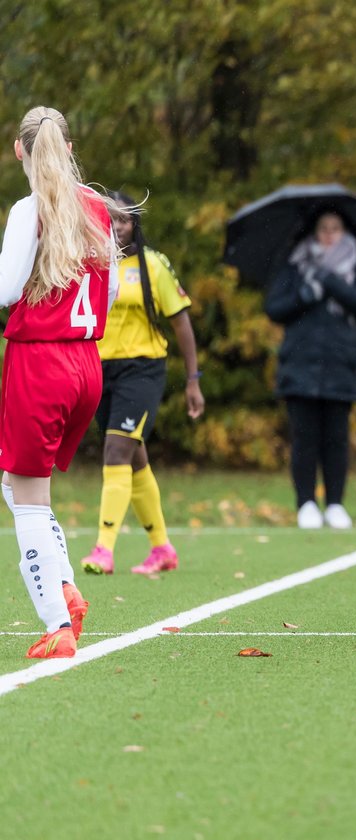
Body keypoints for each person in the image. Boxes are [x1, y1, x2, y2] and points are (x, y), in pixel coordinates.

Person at [0, 106, 121, 658]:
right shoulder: (96, 207)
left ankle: (57, 625)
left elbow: (6, 291)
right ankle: (66, 589)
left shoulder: (29, 210)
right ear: (69, 148)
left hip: (40, 364)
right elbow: (112, 292)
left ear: (20, 151)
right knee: (18, 483)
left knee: (26, 498)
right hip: (86, 364)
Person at [79, 191, 204, 577]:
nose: (117, 227)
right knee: (134, 456)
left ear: (135, 224)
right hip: (102, 368)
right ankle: (162, 547)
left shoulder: (153, 265)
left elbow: (181, 321)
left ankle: (103, 549)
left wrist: (193, 379)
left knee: (117, 449)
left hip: (143, 369)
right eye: (110, 219)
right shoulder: (92, 264)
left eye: (124, 220)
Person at [265, 210, 356, 529]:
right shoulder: (295, 263)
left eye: (335, 228)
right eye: (323, 229)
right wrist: (305, 295)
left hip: (341, 363)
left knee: (336, 438)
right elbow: (275, 308)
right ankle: (306, 504)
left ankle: (336, 504)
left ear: (344, 232)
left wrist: (331, 282)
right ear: (314, 233)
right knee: (304, 437)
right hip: (299, 363)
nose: (329, 234)